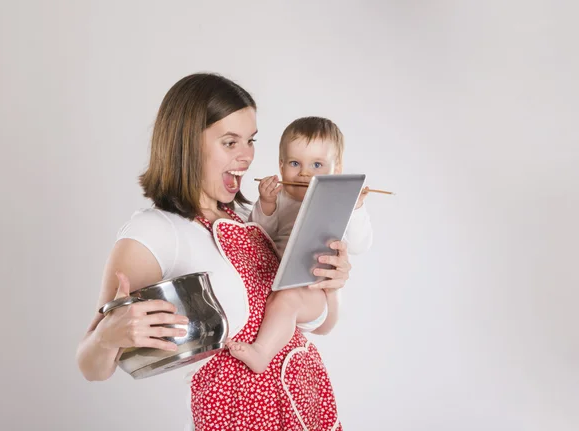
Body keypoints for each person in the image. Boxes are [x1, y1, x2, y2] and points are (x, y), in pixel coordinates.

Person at [76, 73, 353, 431]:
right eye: (230, 142)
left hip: (304, 399)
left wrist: (334, 283)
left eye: (250, 141)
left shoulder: (251, 218)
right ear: (187, 144)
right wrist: (107, 336)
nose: (247, 156)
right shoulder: (155, 231)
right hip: (237, 414)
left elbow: (320, 325)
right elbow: (91, 367)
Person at [227, 117, 373, 373]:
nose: (305, 173)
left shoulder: (337, 203)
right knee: (281, 299)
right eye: (295, 163)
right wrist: (266, 205)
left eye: (317, 164)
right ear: (281, 165)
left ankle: (262, 353)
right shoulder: (278, 198)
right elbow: (259, 236)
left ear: (336, 168)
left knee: (288, 298)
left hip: (313, 291)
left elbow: (360, 244)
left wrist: (357, 207)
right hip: (278, 284)